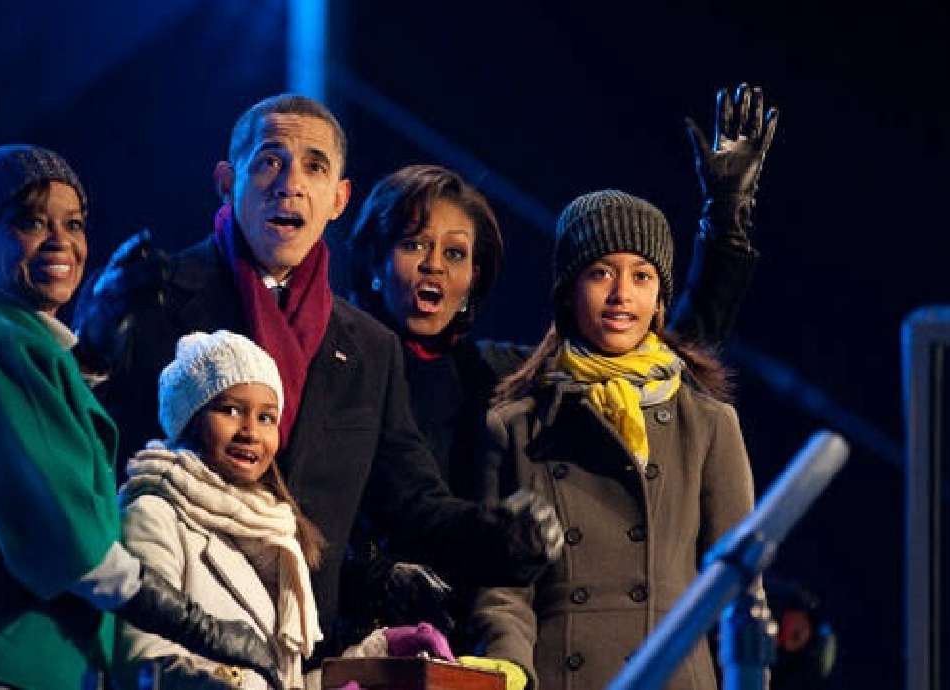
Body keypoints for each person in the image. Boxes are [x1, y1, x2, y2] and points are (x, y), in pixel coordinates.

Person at [73, 95, 564, 661]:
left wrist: (502, 538)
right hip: (166, 636)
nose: (290, 184)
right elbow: (84, 455)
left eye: (314, 166)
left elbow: (413, 501)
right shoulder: (153, 301)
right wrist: (93, 344)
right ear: (226, 181)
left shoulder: (369, 349)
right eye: (269, 161)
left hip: (298, 653)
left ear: (338, 199)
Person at [339, 82, 778, 645]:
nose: (433, 268)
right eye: (413, 245)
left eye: (454, 253)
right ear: (375, 260)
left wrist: (727, 223)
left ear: (475, 279)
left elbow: (651, 358)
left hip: (473, 641)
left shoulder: (501, 379)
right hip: (358, 637)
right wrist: (374, 577)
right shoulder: (336, 370)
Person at [0, 145, 280, 690]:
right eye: (30, 222)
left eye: (73, 223)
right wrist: (208, 631)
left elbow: (43, 422)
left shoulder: (13, 346)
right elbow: (75, 547)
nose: (61, 241)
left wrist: (92, 353)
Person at [471, 188, 762, 690]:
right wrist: (509, 669)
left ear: (660, 299)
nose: (621, 294)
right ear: (568, 288)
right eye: (601, 272)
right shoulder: (516, 426)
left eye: (642, 276)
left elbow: (736, 590)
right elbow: (503, 589)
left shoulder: (711, 425)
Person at [115, 329, 324, 690]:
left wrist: (371, 659)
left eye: (266, 417)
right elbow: (143, 662)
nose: (251, 433)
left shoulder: (270, 531)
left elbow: (280, 681)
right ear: (190, 418)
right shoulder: (154, 513)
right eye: (230, 410)